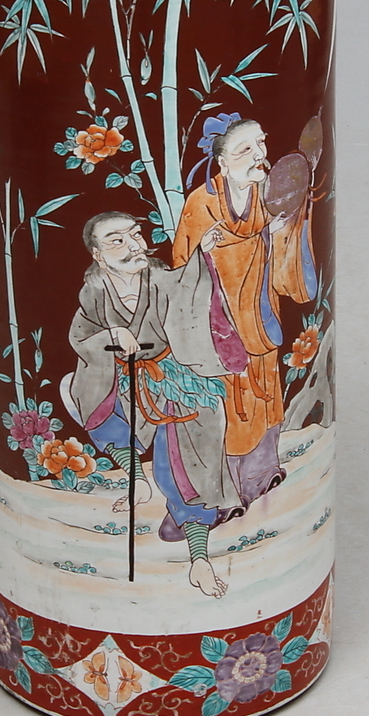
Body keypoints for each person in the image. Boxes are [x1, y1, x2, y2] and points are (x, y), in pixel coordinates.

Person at [64, 211, 242, 598]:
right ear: (97, 255)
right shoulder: (94, 292)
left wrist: (202, 254)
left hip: (174, 381)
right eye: (117, 241)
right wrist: (112, 335)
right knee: (85, 395)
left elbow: (190, 289)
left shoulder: (161, 278)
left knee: (187, 467)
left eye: (135, 235)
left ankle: (199, 560)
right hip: (125, 381)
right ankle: (135, 477)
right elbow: (82, 337)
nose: (133, 246)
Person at [172, 115, 318, 508]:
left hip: (260, 314)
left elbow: (283, 240)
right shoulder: (201, 204)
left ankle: (264, 472)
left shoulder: (267, 195)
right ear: (222, 162)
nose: (258, 155)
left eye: (260, 144)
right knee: (232, 401)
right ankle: (229, 486)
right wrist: (204, 250)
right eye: (245, 150)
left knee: (266, 392)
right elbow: (180, 268)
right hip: (220, 326)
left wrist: (287, 222)